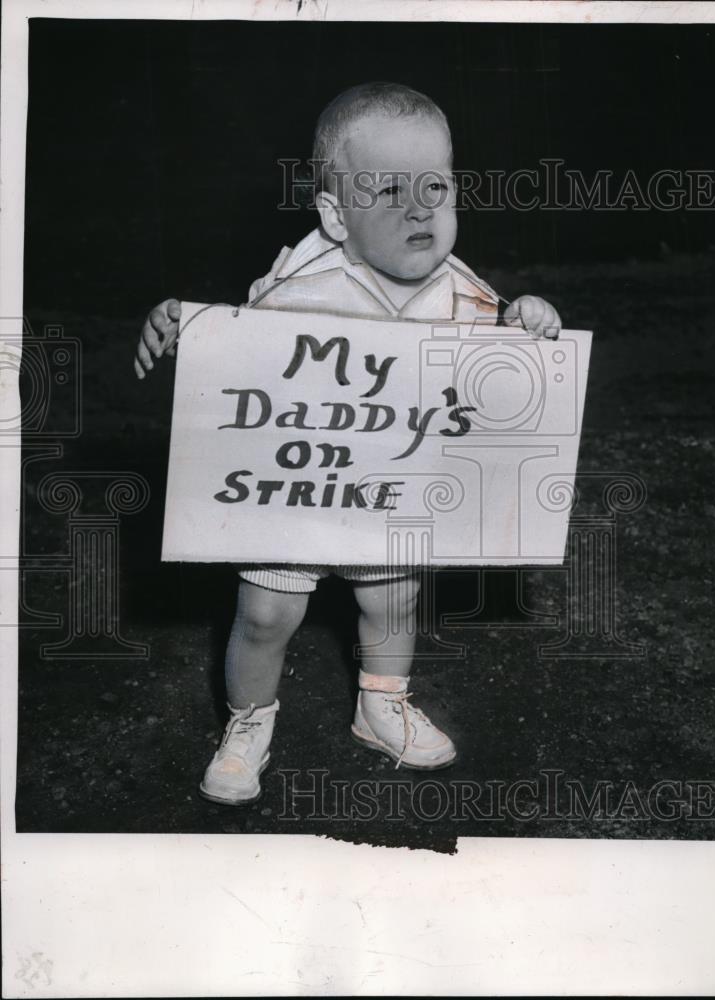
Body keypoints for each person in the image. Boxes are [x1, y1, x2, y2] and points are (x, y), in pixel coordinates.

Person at [134, 82, 561, 806]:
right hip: (295, 495)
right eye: (390, 190)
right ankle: (248, 720)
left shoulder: (463, 293)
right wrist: (185, 329)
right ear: (335, 215)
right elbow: (234, 361)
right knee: (267, 614)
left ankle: (380, 702)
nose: (420, 207)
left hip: (387, 497)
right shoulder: (299, 286)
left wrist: (530, 321)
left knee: (393, 603)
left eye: (436, 186)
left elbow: (500, 368)